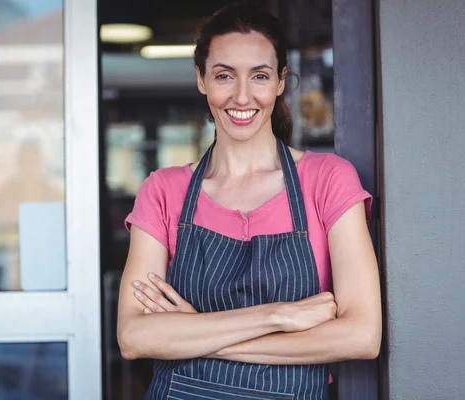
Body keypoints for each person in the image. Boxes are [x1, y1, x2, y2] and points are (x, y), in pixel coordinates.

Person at [117, 1, 382, 398]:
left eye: (259, 76)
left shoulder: (327, 180)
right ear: (201, 80)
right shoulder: (163, 190)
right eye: (224, 75)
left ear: (279, 82)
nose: (242, 97)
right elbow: (135, 336)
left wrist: (197, 332)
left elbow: (362, 336)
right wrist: (276, 316)